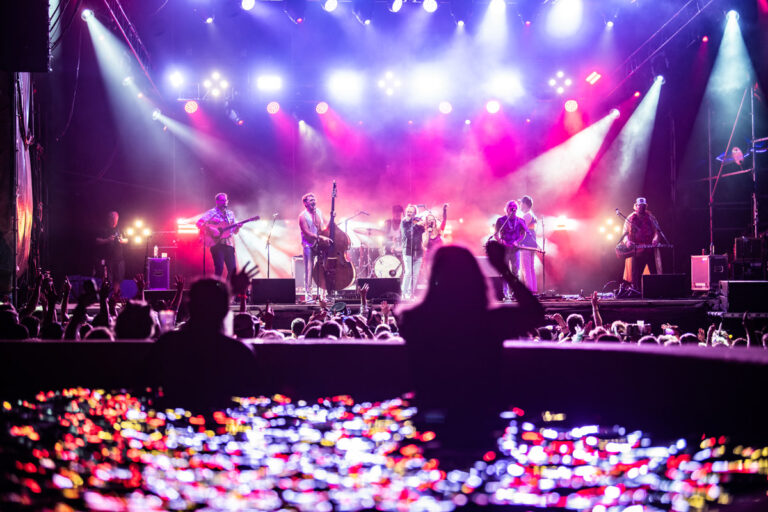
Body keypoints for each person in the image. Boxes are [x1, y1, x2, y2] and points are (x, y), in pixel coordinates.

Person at [399, 243, 545, 466]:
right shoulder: (490, 321)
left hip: (431, 419)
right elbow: (535, 313)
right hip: (482, 417)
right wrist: (502, 269)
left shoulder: (413, 319)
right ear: (476, 277)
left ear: (435, 276)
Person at [146, 264, 259, 412]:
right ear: (225, 310)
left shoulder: (167, 345)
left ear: (189, 307)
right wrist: (231, 291)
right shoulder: (239, 352)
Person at [621, 197, 660, 292]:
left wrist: (655, 239)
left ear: (645, 206)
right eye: (639, 206)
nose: (641, 208)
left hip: (649, 249)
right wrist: (627, 242)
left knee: (653, 272)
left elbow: (657, 231)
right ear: (636, 206)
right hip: (636, 250)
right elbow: (624, 233)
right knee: (636, 274)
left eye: (643, 206)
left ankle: (655, 292)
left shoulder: (651, 217)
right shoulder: (630, 218)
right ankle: (636, 292)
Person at [298, 193, 331, 303]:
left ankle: (323, 295)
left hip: (319, 244)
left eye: (314, 199)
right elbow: (306, 232)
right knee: (309, 270)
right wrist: (319, 237)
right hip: (308, 245)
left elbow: (324, 225)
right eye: (311, 200)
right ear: (306, 203)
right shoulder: (302, 216)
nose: (313, 201)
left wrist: (332, 217)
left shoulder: (319, 212)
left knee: (323, 269)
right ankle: (308, 296)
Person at [197, 193, 239, 277]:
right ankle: (216, 288)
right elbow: (199, 223)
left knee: (233, 270)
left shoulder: (230, 214)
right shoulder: (212, 213)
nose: (224, 202)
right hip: (217, 244)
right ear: (217, 201)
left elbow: (234, 231)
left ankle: (227, 289)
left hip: (229, 245)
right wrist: (212, 229)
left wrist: (238, 227)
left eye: (225, 200)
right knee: (219, 269)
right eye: (222, 200)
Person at [493, 200, 528, 301]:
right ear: (507, 209)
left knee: (515, 272)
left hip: (515, 249)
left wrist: (518, 241)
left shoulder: (521, 220)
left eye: (515, 206)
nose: (513, 208)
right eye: (511, 207)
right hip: (504, 249)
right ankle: (505, 293)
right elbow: (496, 234)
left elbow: (523, 233)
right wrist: (501, 242)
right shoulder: (500, 220)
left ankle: (515, 293)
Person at [400, 204, 426, 299]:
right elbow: (407, 234)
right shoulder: (404, 222)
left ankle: (411, 294)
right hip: (408, 250)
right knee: (408, 272)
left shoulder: (418, 222)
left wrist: (425, 224)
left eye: (411, 212)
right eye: (408, 211)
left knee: (415, 274)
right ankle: (404, 293)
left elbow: (424, 233)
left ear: (415, 213)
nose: (409, 213)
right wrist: (416, 225)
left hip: (418, 251)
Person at [95, 211, 127, 284]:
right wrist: (107, 240)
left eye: (115, 220)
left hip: (119, 259)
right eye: (112, 219)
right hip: (107, 259)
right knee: (108, 280)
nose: (113, 222)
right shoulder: (103, 229)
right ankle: (107, 295)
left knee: (118, 280)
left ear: (117, 219)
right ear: (108, 219)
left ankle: (116, 295)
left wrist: (122, 240)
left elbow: (127, 240)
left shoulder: (120, 229)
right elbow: (97, 240)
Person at [421, 204, 448, 279]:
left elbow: (444, 221)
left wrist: (444, 210)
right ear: (427, 222)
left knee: (440, 274)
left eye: (432, 219)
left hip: (440, 256)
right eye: (429, 220)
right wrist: (428, 234)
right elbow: (425, 245)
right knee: (430, 276)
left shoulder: (439, 231)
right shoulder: (425, 234)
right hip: (429, 256)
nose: (431, 221)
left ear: (435, 221)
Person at [518, 196, 538, 293]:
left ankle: (529, 291)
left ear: (525, 204)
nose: (519, 205)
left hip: (526, 244)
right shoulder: (531, 215)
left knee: (526, 268)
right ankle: (533, 290)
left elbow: (520, 229)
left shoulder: (526, 216)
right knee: (530, 268)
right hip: (532, 244)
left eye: (521, 203)